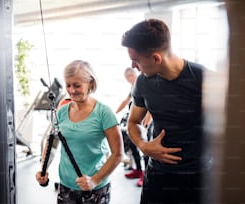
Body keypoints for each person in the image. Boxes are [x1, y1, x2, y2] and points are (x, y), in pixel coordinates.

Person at [121, 18, 212, 204]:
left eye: (135, 60)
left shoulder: (202, 78)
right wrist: (143, 145)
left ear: (156, 58)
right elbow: (133, 122)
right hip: (158, 175)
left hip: (198, 177)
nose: (132, 66)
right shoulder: (142, 83)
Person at [36, 60, 123, 203]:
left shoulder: (104, 113)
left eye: (77, 85)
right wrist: (43, 168)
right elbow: (53, 143)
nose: (71, 90)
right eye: (68, 85)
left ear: (90, 84)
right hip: (66, 184)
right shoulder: (62, 111)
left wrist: (95, 180)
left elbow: (118, 154)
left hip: (95, 187)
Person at [116, 68, 152, 187]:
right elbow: (126, 101)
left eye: (128, 79)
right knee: (132, 143)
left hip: (144, 123)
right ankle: (138, 170)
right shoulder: (134, 87)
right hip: (135, 121)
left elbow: (149, 107)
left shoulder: (144, 84)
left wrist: (145, 125)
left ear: (132, 76)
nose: (128, 81)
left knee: (145, 150)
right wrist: (115, 113)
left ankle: (145, 175)